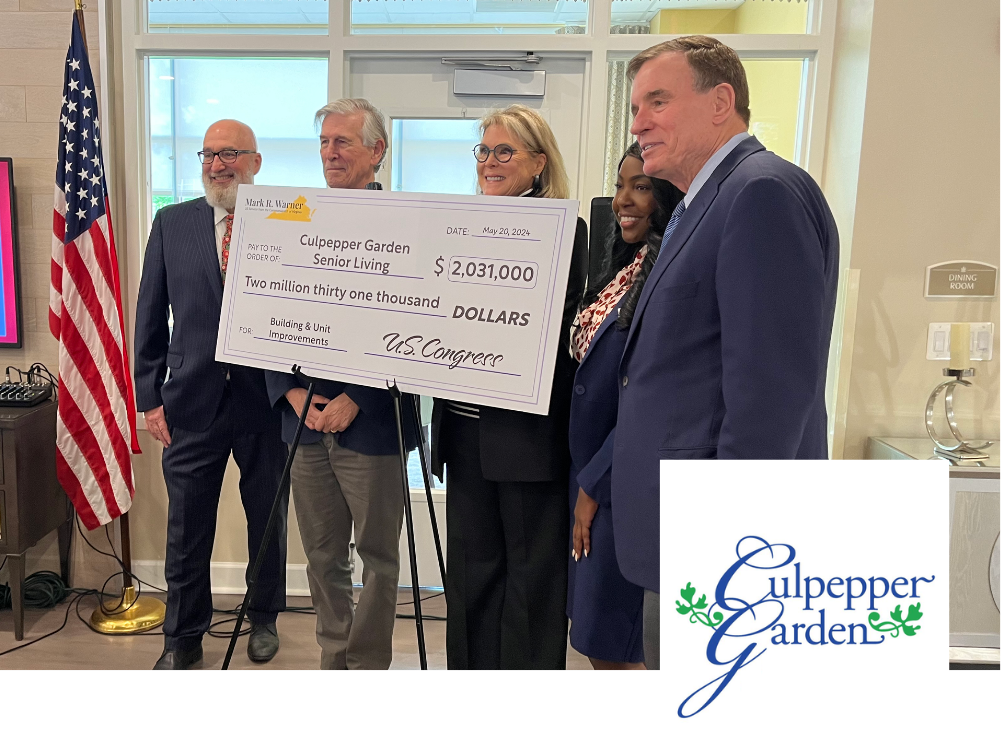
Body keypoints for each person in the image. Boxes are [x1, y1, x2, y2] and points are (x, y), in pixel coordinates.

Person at [615, 36, 839, 669]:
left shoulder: (760, 194)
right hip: (685, 529)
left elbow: (770, 395)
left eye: (658, 100)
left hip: (721, 545)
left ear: (721, 102)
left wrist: (732, 544)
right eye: (636, 107)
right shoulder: (699, 203)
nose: (639, 123)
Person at [430, 104, 588, 671]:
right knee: (471, 575)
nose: (489, 163)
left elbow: (549, 334)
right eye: (483, 151)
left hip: (524, 439)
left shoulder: (562, 229)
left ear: (538, 164)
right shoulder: (457, 226)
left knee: (530, 577)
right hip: (464, 433)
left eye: (504, 152)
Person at [263, 99, 418, 672]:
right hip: (302, 423)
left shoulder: (409, 223)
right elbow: (262, 306)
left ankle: (367, 667)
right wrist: (290, 391)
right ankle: (334, 662)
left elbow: (418, 318)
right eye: (325, 142)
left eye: (344, 142)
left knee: (378, 558)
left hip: (373, 425)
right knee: (321, 556)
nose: (330, 153)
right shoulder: (291, 216)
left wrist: (363, 396)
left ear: (377, 152)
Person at [135, 119, 288, 671]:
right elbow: (149, 314)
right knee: (186, 526)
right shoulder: (171, 223)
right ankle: (182, 637)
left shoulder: (285, 223)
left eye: (230, 154)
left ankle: (264, 617)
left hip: (266, 402)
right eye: (208, 154)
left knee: (266, 517)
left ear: (255, 162)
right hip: (189, 399)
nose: (217, 165)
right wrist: (150, 398)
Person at [567, 143, 683, 671]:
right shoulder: (622, 266)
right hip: (590, 477)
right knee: (598, 640)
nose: (623, 200)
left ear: (666, 195)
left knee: (615, 645)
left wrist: (594, 484)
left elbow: (648, 398)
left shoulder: (665, 277)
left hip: (619, 482)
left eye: (640, 186)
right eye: (620, 185)